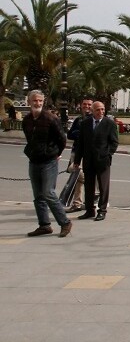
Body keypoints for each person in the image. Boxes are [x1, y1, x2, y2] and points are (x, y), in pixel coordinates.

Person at [23, 90, 73, 238]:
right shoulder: (27, 120)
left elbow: (62, 139)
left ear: (43, 102)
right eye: (34, 101)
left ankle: (65, 223)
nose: (37, 103)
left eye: (40, 101)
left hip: (49, 161)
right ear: (29, 102)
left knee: (48, 193)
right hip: (34, 161)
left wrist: (57, 154)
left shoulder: (51, 118)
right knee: (38, 195)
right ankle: (44, 225)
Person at [70, 101, 118, 222]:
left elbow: (114, 142)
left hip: (103, 161)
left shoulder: (109, 123)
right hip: (88, 160)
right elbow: (80, 143)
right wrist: (77, 160)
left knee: (103, 186)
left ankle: (102, 211)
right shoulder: (85, 123)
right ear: (92, 110)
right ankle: (89, 210)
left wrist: (108, 154)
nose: (101, 112)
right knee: (89, 186)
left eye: (102, 109)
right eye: (98, 110)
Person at [66, 98, 94, 212]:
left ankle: (93, 199)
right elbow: (70, 135)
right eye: (84, 104)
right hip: (76, 152)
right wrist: (80, 134)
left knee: (79, 175)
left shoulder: (94, 120)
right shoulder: (78, 120)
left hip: (89, 153)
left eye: (89, 104)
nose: (86, 106)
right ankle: (77, 203)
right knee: (76, 175)